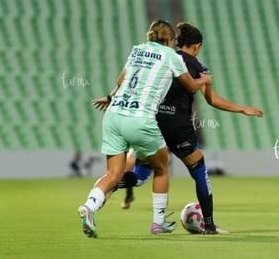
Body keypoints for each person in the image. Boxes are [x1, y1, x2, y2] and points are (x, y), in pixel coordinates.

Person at [119, 22, 263, 234]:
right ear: (197, 46)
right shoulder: (198, 67)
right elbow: (212, 100)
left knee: (141, 175)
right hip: (178, 126)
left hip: (153, 122)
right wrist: (242, 109)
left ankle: (110, 185)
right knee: (199, 172)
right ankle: (210, 226)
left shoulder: (165, 57)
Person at [77, 20, 212, 238]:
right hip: (140, 119)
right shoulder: (172, 56)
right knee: (161, 168)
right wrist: (204, 78)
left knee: (113, 173)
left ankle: (89, 207)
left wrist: (110, 97)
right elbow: (191, 86)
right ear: (169, 41)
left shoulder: (137, 50)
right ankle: (158, 222)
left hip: (113, 115)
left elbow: (122, 78)